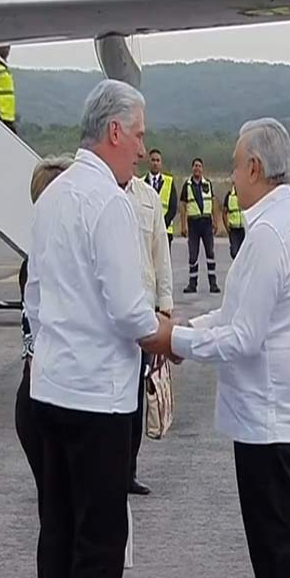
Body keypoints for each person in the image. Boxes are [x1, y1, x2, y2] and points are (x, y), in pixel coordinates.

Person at [144, 118, 290, 578]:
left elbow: (246, 336)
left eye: (234, 162)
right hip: (273, 417)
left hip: (275, 422)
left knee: (277, 556)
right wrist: (189, 331)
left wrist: (177, 343)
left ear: (255, 168)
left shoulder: (273, 232)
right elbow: (238, 312)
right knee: (268, 554)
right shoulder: (278, 222)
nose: (229, 174)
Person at [24, 79, 171, 578]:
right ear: (114, 131)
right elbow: (128, 310)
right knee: (99, 543)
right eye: (138, 133)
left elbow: (34, 300)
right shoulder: (108, 203)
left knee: (59, 532)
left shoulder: (54, 195)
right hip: (97, 400)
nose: (142, 147)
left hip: (49, 388)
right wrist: (175, 336)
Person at [15, 155, 74, 578]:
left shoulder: (42, 255)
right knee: (64, 528)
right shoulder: (47, 260)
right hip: (44, 398)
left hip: (37, 395)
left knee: (57, 526)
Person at [124, 174, 175, 495]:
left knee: (136, 398)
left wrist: (165, 306)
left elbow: (161, 254)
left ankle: (128, 469)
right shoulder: (96, 191)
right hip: (107, 315)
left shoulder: (147, 197)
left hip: (142, 311)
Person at [179, 158, 221, 293]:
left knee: (210, 253)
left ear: (202, 169)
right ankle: (192, 284)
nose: (197, 168)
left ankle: (213, 284)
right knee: (193, 255)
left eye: (199, 166)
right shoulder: (187, 185)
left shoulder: (207, 184)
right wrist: (183, 225)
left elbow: (213, 202)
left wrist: (216, 221)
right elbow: (183, 205)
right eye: (195, 166)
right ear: (192, 168)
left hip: (207, 223)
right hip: (193, 223)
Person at [144, 148, 178, 251]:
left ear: (161, 163)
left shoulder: (169, 181)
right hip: (147, 231)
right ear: (149, 162)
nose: (155, 163)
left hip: (165, 231)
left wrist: (162, 225)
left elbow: (173, 207)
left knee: (163, 264)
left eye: (158, 160)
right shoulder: (141, 183)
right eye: (153, 160)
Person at [223, 184, 245, 259]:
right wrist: (227, 226)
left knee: (244, 252)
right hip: (233, 229)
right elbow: (224, 212)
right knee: (234, 252)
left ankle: (241, 269)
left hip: (244, 228)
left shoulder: (246, 195)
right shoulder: (229, 196)